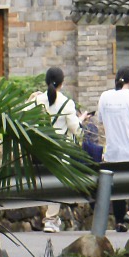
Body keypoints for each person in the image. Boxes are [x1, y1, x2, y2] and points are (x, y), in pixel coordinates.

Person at [95, 66, 129, 228]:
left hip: (112, 153)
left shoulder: (105, 97)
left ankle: (119, 222)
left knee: (117, 188)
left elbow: (100, 119)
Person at [27, 68, 81, 228]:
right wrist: (81, 120)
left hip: (40, 150)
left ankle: (49, 218)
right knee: (56, 183)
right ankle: (51, 220)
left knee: (44, 183)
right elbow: (75, 130)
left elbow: (23, 117)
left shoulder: (37, 100)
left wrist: (30, 99)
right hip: (60, 151)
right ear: (62, 83)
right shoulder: (67, 103)